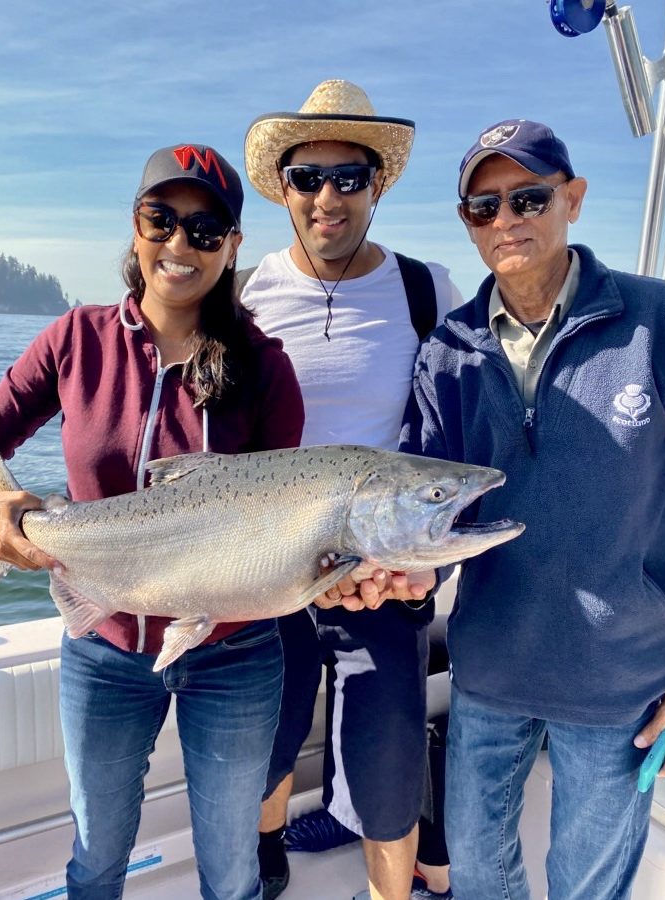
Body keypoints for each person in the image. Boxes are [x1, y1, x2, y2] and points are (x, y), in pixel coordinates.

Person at [0, 143, 304, 900]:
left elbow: (283, 520)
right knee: (96, 856)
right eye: (161, 219)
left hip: (234, 655)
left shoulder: (267, 368)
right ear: (135, 228)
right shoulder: (76, 340)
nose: (180, 243)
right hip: (104, 648)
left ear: (234, 246)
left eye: (206, 229)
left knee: (233, 867)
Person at [400, 118, 665, 900]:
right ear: (467, 223)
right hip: (489, 673)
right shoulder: (447, 350)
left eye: (529, 197)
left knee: (585, 887)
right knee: (478, 873)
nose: (507, 220)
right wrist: (383, 577)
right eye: (483, 206)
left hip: (624, 688)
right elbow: (423, 516)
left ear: (573, 198)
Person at [241, 79, 461, 900]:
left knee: (388, 754)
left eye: (349, 176)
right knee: (267, 736)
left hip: (386, 565)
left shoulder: (425, 289)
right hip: (272, 568)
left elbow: (460, 422)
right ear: (284, 189)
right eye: (307, 177)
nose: (327, 197)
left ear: (379, 184)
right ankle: (267, 863)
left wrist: (428, 560)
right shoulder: (245, 297)